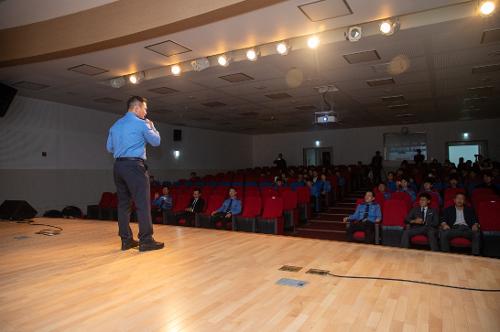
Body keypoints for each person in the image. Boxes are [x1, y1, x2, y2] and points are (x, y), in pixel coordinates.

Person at [106, 96, 164, 252]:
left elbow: (110, 148)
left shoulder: (115, 125)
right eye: (145, 109)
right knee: (142, 204)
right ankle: (146, 240)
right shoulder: (142, 124)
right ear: (137, 108)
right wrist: (152, 127)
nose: (146, 112)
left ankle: (126, 240)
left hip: (118, 166)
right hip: (134, 166)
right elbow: (156, 142)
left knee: (124, 204)